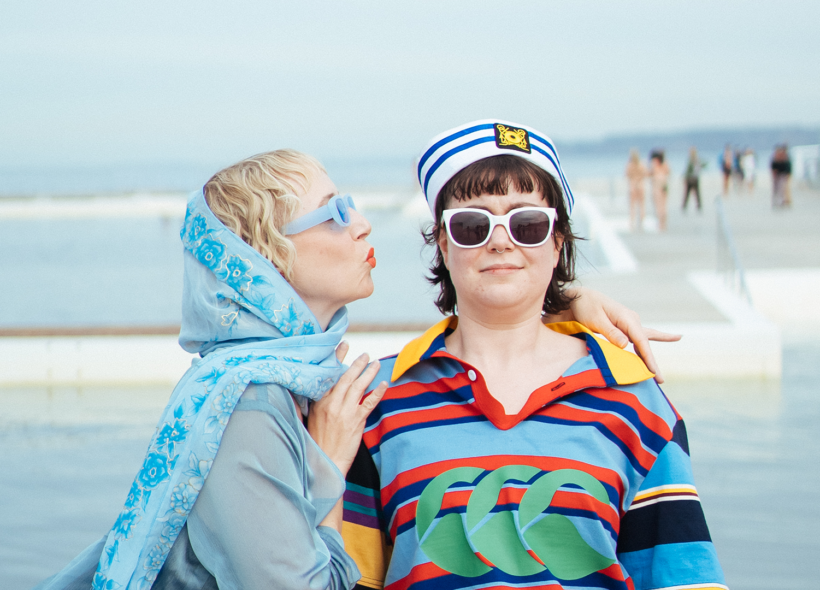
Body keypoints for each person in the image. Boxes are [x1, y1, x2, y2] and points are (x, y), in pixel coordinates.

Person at [35, 149, 674, 590]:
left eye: (531, 226)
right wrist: (329, 468)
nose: (362, 223)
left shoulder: (304, 380)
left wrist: (561, 297)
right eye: (336, 212)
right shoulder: (253, 403)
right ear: (271, 256)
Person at [340, 120, 725, 590]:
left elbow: (681, 577)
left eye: (526, 224)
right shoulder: (375, 399)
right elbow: (351, 579)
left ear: (558, 240)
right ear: (442, 243)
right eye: (471, 225)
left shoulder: (637, 401)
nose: (500, 241)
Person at [624, 149, 648, 231]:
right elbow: (645, 174)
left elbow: (627, 174)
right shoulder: (641, 164)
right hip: (640, 185)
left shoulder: (630, 165)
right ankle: (641, 221)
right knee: (641, 205)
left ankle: (632, 222)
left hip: (633, 185)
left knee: (632, 206)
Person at [648, 149, 670, 231]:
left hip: (657, 186)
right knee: (664, 205)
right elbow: (668, 172)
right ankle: (664, 223)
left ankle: (660, 224)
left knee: (658, 206)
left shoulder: (654, 163)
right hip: (664, 185)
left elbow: (650, 173)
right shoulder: (665, 163)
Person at [682, 146, 704, 212]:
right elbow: (700, 167)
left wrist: (685, 177)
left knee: (688, 193)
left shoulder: (691, 160)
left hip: (690, 178)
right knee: (696, 193)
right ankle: (698, 206)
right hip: (695, 178)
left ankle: (685, 206)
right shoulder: (697, 159)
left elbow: (688, 170)